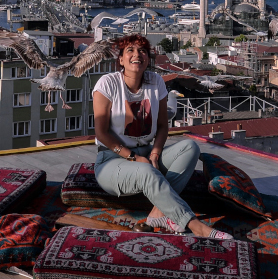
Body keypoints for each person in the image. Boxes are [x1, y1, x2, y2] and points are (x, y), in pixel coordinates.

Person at [92, 33, 232, 239]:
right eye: (129, 50)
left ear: (148, 58)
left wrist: (155, 154)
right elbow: (101, 132)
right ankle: (195, 226)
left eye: (142, 51)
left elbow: (162, 126)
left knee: (190, 147)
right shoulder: (108, 84)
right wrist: (133, 157)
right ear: (120, 59)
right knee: (145, 170)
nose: (136, 54)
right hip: (112, 160)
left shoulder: (155, 81)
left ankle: (158, 213)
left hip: (147, 152)